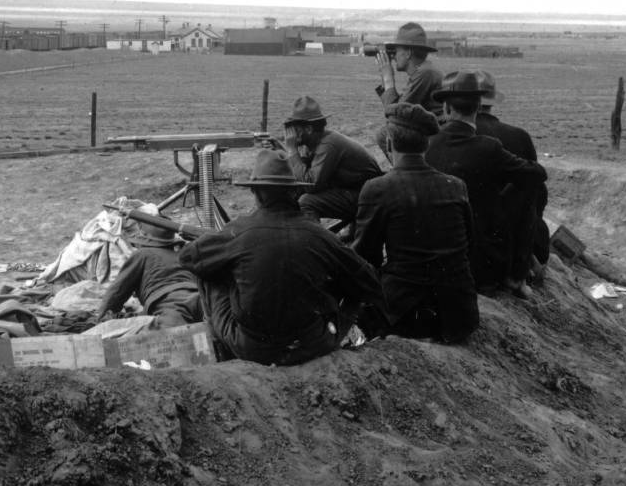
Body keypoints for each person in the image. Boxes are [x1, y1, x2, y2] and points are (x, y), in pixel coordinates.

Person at [179, 150, 385, 365]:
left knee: (207, 269)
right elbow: (369, 282)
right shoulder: (320, 235)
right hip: (314, 345)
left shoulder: (238, 231)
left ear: (255, 193)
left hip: (253, 350)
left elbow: (188, 258)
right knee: (351, 282)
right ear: (295, 193)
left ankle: (219, 349)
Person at [351, 104, 479, 343]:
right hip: (459, 315)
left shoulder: (377, 188)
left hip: (405, 316)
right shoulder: (456, 185)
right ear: (426, 144)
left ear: (389, 144)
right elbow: (469, 246)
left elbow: (366, 257)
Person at [424, 70, 547, 297]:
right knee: (527, 186)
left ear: (447, 109)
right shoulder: (491, 147)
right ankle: (517, 276)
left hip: (435, 256)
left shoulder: (428, 144)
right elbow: (538, 175)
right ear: (479, 104)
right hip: (483, 264)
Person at [475, 71, 550, 286]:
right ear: (491, 101)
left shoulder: (454, 137)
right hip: (515, 242)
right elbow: (538, 192)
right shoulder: (519, 136)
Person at [282, 96, 382, 227]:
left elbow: (310, 185)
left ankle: (315, 241)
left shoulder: (328, 144)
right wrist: (281, 150)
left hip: (368, 198)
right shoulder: (315, 141)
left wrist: (291, 150)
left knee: (307, 201)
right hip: (352, 191)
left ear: (309, 129)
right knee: (291, 194)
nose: (292, 134)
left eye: (295, 128)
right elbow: (302, 170)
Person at [95, 207, 203, 329]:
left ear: (145, 237)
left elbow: (117, 291)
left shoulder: (142, 255)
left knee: (177, 336)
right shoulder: (182, 255)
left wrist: (102, 320)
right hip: (199, 298)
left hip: (171, 304)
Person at [374, 22, 444, 116]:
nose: (394, 57)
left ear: (408, 53)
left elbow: (396, 117)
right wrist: (385, 79)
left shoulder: (425, 73)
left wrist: (388, 79)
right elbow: (398, 106)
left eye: (396, 51)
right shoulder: (424, 71)